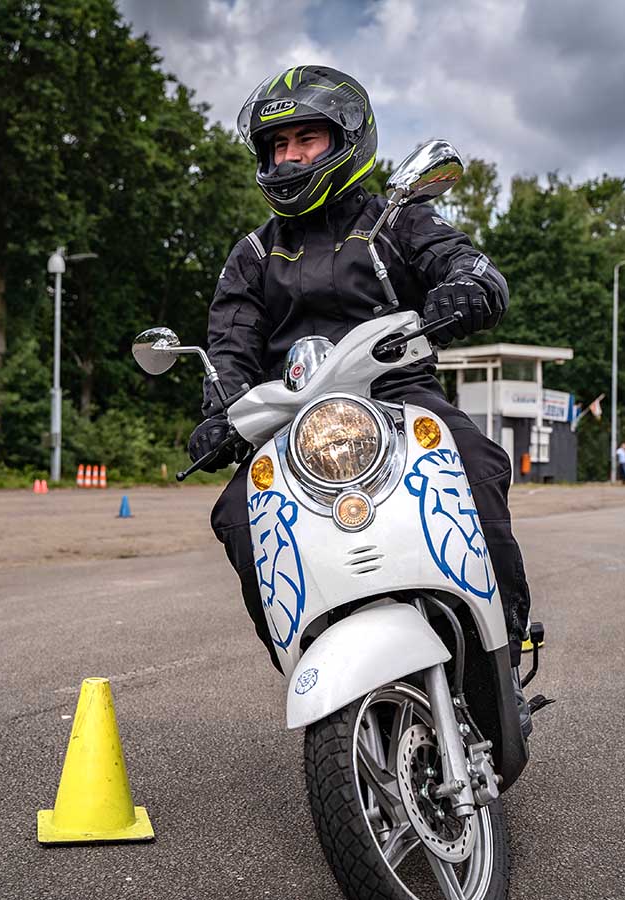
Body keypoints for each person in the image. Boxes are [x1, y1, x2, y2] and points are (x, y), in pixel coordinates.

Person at [188, 66, 535, 729]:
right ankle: (307, 661)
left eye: (305, 139)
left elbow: (469, 264)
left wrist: (465, 287)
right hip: (291, 422)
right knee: (236, 514)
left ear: (346, 139)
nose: (289, 157)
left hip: (399, 396)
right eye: (277, 145)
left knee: (479, 467)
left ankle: (503, 655)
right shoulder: (254, 255)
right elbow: (229, 346)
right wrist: (220, 413)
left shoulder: (395, 220)